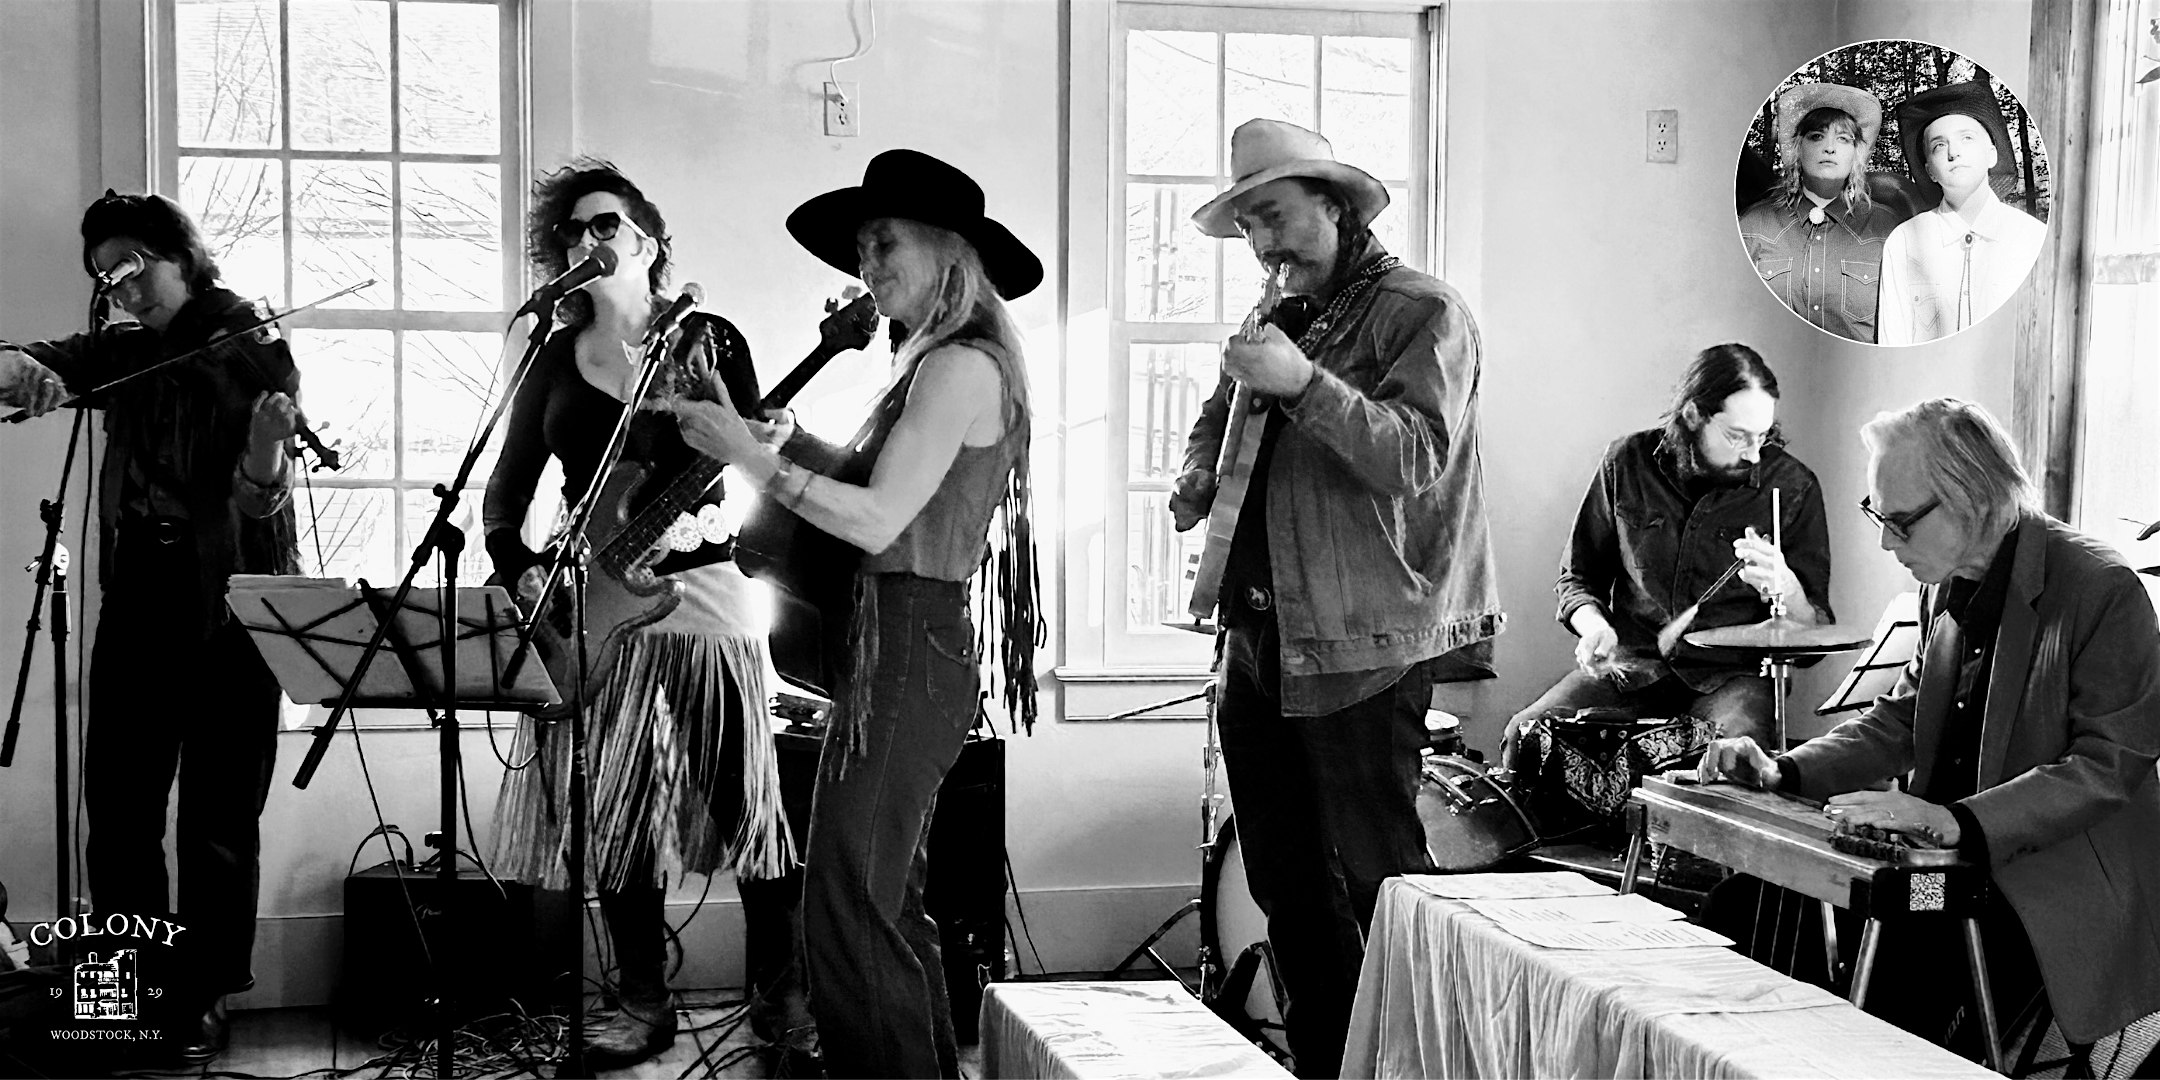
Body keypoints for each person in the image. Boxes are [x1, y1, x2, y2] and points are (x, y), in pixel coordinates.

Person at [668, 148, 1041, 1079]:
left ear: (949, 250)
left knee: (849, 899)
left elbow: (878, 520)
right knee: (879, 897)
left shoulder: (958, 365)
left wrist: (749, 457)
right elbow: (892, 489)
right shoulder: (942, 361)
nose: (867, 267)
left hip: (908, 645)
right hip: (895, 644)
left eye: (884, 244)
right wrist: (790, 442)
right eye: (862, 249)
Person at [1167, 118, 1502, 1080]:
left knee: (1382, 890)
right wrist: (1197, 472)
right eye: (1248, 226)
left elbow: (1415, 457)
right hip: (1256, 638)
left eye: (1275, 215)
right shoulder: (1281, 310)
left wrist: (1303, 383)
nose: (1262, 242)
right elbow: (1218, 412)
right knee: (1287, 892)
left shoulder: (1424, 311)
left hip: (1363, 646)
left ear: (1337, 205)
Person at [1700, 399, 2160, 1073]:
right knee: (1745, 906)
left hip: (2042, 879)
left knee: (1902, 970)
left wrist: (1954, 820)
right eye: (1878, 515)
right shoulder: (1944, 583)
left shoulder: (2101, 588)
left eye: (1901, 521)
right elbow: (1900, 720)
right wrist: (1783, 771)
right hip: (1941, 873)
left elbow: (2106, 765)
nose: (1886, 542)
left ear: (1974, 498)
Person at [481, 161, 789, 1067]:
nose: (588, 240)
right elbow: (505, 494)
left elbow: (752, 454)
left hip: (706, 597)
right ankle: (641, 1001)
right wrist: (519, 570)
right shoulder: (551, 356)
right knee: (615, 809)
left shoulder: (708, 340)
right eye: (573, 231)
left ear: (649, 240)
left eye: (606, 224)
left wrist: (760, 442)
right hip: (596, 604)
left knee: (744, 804)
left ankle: (784, 995)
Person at [0, 192, 304, 1063]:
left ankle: (203, 994)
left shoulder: (248, 343)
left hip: (231, 605)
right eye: (106, 276)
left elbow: (262, 502)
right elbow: (32, 362)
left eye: (132, 266)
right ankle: (130, 985)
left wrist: (266, 449)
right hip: (137, 594)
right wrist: (25, 370)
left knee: (218, 816)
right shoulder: (127, 352)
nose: (122, 288)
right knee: (120, 806)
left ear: (181, 254)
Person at [1501, 345, 1834, 759]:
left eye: (1762, 436)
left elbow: (1816, 634)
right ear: (1693, 415)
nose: (1753, 454)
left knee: (1734, 759)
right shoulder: (1625, 463)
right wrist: (1595, 629)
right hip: (1632, 670)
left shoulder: (1793, 487)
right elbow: (1578, 578)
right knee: (1526, 738)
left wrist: (1789, 588)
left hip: (1732, 680)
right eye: (1737, 436)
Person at [1877, 82, 2047, 345]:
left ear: (1992, 155)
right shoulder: (1904, 242)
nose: (1954, 152)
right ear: (1930, 171)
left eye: (1967, 138)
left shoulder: (2031, 238)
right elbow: (1893, 347)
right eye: (1939, 145)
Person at [1739, 83, 1911, 343]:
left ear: (1857, 154)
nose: (1830, 148)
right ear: (1797, 148)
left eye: (1843, 139)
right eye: (1817, 136)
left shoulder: (1888, 230)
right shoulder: (1754, 227)